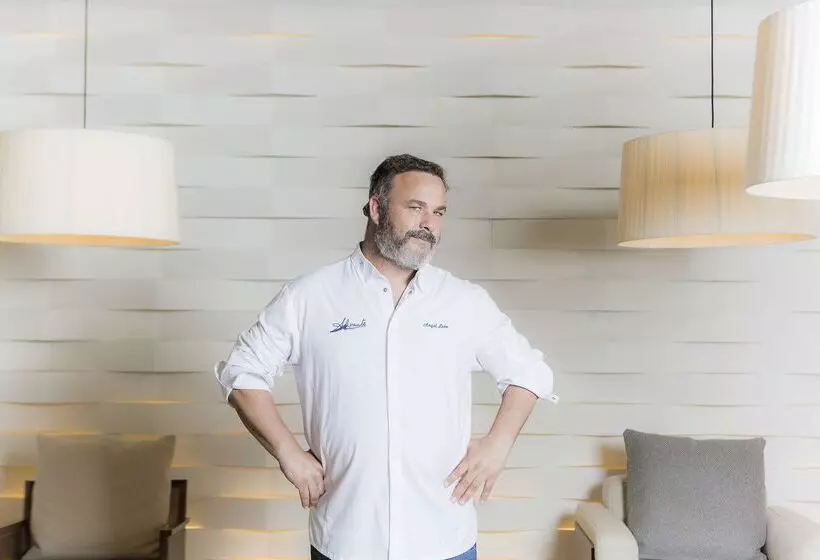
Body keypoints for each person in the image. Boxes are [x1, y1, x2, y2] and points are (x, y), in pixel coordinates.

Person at [214, 154, 556, 560]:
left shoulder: (464, 301)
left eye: (438, 212)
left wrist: (497, 445)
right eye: (416, 208)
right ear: (376, 209)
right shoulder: (309, 297)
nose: (428, 224)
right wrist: (287, 452)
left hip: (445, 539)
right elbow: (243, 371)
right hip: (345, 539)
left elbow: (529, 372)